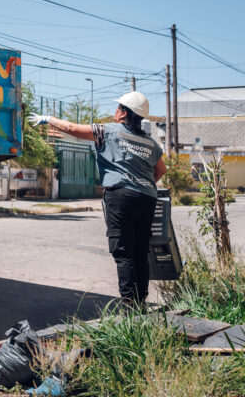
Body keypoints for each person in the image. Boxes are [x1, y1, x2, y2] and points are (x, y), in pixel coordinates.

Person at [29, 91, 167, 305]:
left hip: (121, 196)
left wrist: (48, 119)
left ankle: (129, 304)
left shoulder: (107, 131)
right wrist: (142, 184)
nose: (115, 111)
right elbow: (161, 170)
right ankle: (141, 301)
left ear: (123, 113)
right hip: (147, 198)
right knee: (140, 250)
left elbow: (71, 129)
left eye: (118, 108)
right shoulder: (151, 143)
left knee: (123, 250)